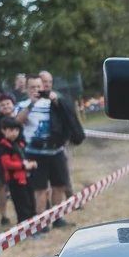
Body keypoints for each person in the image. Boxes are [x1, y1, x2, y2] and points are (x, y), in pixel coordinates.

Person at [36, 70, 84, 201]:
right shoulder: (34, 101)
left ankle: (70, 198)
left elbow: (68, 115)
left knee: (65, 172)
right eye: (44, 81)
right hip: (42, 144)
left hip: (62, 141)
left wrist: (56, 101)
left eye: (49, 82)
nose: (47, 84)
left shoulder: (58, 97)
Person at [0, 112, 36, 222]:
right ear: (3, 131)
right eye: (10, 130)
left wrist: (31, 162)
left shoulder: (19, 144)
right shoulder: (4, 146)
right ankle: (24, 225)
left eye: (16, 130)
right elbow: (7, 163)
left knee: (31, 200)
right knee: (21, 203)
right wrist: (23, 166)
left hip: (26, 178)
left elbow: (25, 156)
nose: (14, 133)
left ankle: (34, 223)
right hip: (15, 180)